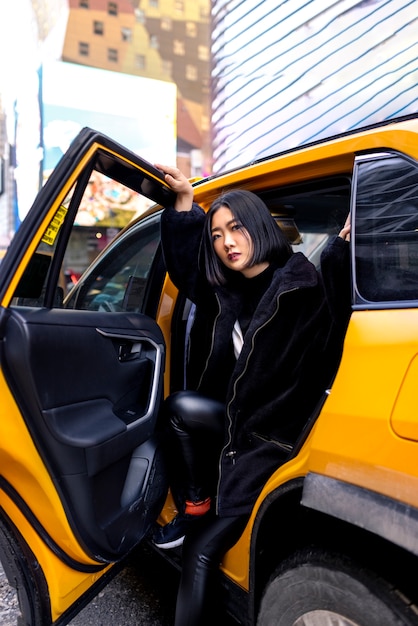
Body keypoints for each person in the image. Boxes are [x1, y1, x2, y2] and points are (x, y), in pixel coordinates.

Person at [153, 164, 351, 625]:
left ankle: (200, 515)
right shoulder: (229, 292)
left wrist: (342, 252)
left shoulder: (302, 286)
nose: (226, 242)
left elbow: (334, 331)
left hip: (268, 441)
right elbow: (187, 271)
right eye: (218, 234)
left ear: (259, 227)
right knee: (179, 409)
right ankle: (196, 504)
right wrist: (184, 206)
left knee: (200, 550)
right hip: (235, 423)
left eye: (236, 228)